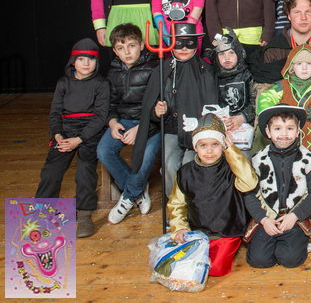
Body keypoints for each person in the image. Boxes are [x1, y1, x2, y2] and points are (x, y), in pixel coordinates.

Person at [255, 46, 311, 227]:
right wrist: (281, 114)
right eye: (299, 63)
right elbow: (264, 101)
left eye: (309, 64)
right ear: (291, 66)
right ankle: (302, 210)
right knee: (293, 176)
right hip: (291, 139)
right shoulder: (282, 86)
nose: (304, 67)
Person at [167, 112, 258, 277]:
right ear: (195, 147)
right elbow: (177, 203)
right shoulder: (185, 172)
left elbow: (249, 183)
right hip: (198, 232)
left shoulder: (232, 168)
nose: (209, 151)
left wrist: (231, 151)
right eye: (203, 145)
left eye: (215, 144)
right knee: (183, 265)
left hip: (227, 232)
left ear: (223, 145)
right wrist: (180, 227)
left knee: (214, 269)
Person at [133, 23, 218, 198]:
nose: (184, 48)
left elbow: (212, 108)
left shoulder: (207, 71)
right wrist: (157, 112)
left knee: (190, 164)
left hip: (198, 132)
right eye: (178, 43)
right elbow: (149, 110)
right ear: (171, 44)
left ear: (196, 44)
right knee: (170, 164)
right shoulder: (162, 70)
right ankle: (176, 205)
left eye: (189, 43)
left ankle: (194, 205)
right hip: (171, 129)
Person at [35, 38, 110, 238]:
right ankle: (42, 214)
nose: (86, 63)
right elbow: (55, 112)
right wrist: (57, 133)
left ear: (97, 62)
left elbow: (100, 117)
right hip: (65, 130)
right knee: (51, 171)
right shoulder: (63, 83)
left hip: (89, 131)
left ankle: (84, 216)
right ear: (73, 62)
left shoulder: (101, 84)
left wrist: (80, 139)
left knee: (85, 171)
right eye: (81, 59)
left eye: (91, 59)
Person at [246, 105, 311, 269]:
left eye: (289, 128)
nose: (284, 134)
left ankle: (301, 241)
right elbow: (249, 194)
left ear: (297, 132)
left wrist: (295, 216)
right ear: (268, 132)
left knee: (290, 260)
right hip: (268, 217)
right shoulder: (258, 160)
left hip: (294, 218)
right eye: (277, 129)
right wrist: (263, 220)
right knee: (259, 260)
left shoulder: (308, 159)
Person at [99, 24, 159, 225]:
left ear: (141, 45)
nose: (127, 52)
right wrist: (113, 123)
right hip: (124, 120)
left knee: (145, 156)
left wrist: (141, 129)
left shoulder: (154, 68)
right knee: (104, 150)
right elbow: (111, 104)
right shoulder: (113, 72)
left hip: (151, 123)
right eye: (121, 48)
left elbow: (160, 107)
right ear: (115, 51)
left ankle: (127, 198)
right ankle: (137, 191)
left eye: (131, 46)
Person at [211, 31, 256, 156]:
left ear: (239, 53)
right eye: (222, 54)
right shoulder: (212, 78)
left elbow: (256, 102)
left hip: (245, 132)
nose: (227, 58)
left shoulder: (249, 75)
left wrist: (243, 117)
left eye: (231, 53)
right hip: (221, 130)